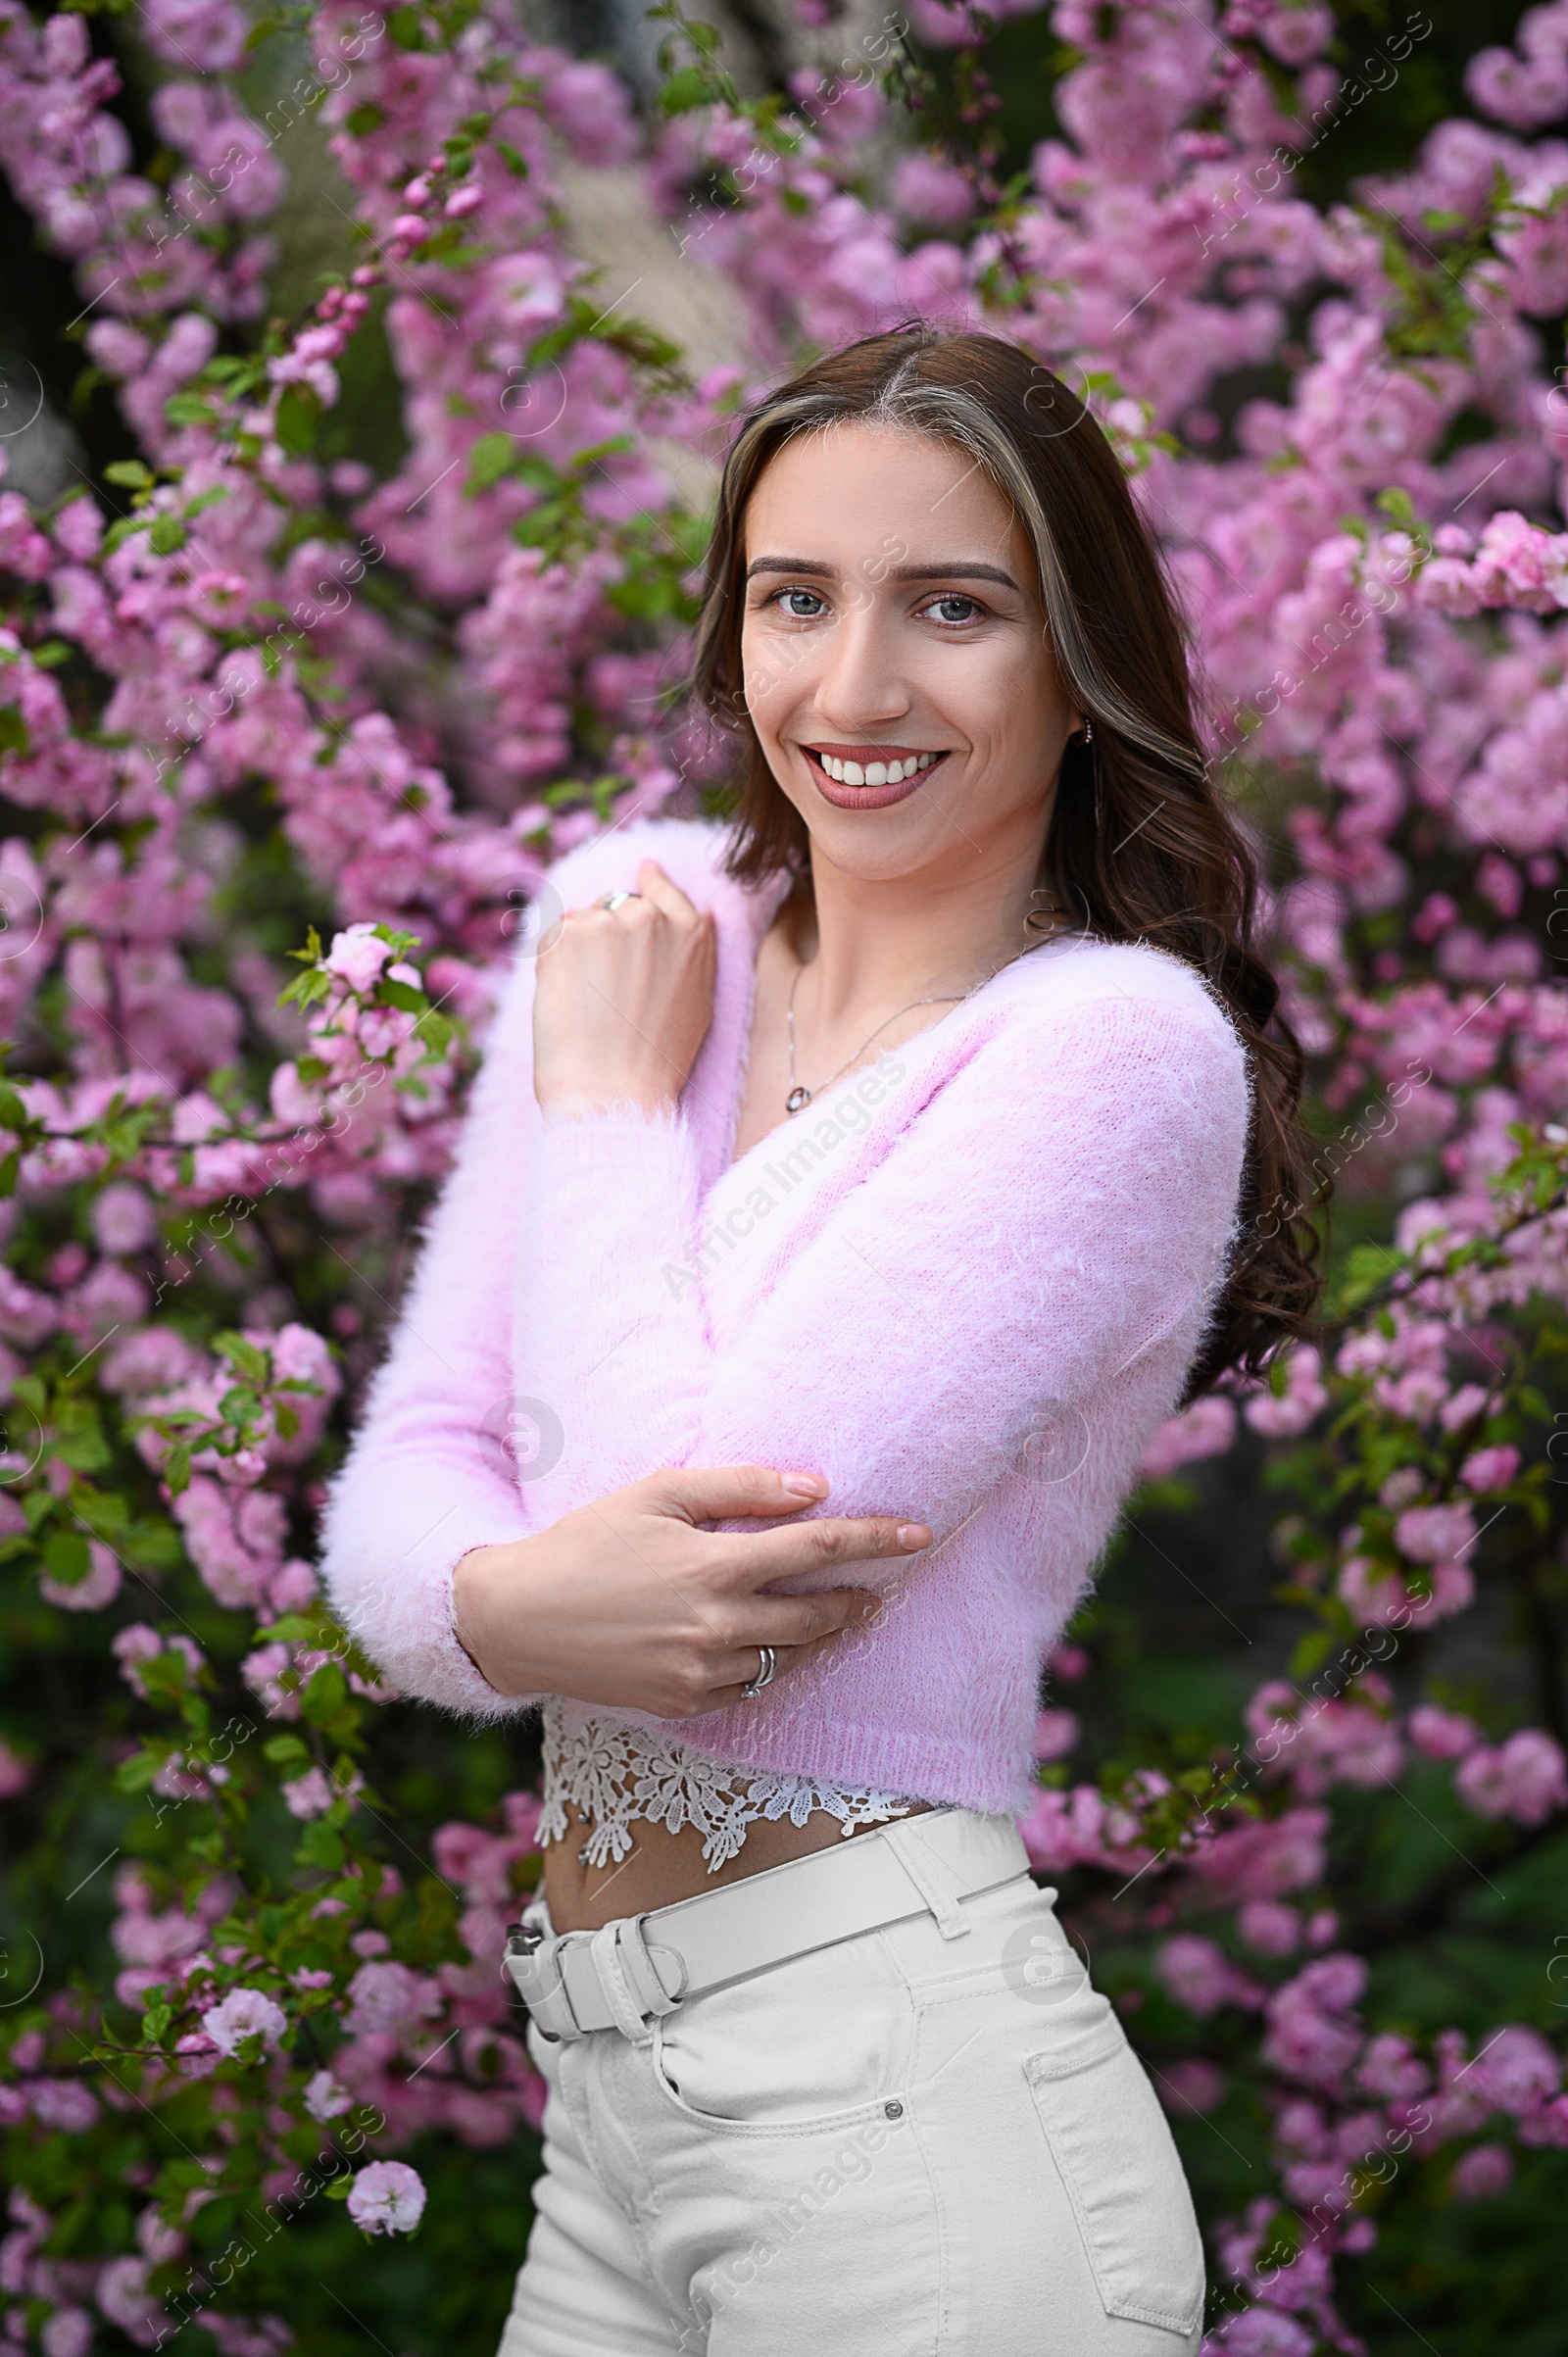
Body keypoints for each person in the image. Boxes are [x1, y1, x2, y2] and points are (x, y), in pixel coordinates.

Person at [319, 323, 1319, 2357]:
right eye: (796, 599)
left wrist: (604, 1112)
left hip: (908, 2132)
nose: (852, 692)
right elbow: (404, 1469)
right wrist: (510, 1607)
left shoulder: (1110, 1058)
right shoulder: (633, 913)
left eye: (950, 609)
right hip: (602, 2125)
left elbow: (701, 1573)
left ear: (1073, 658)